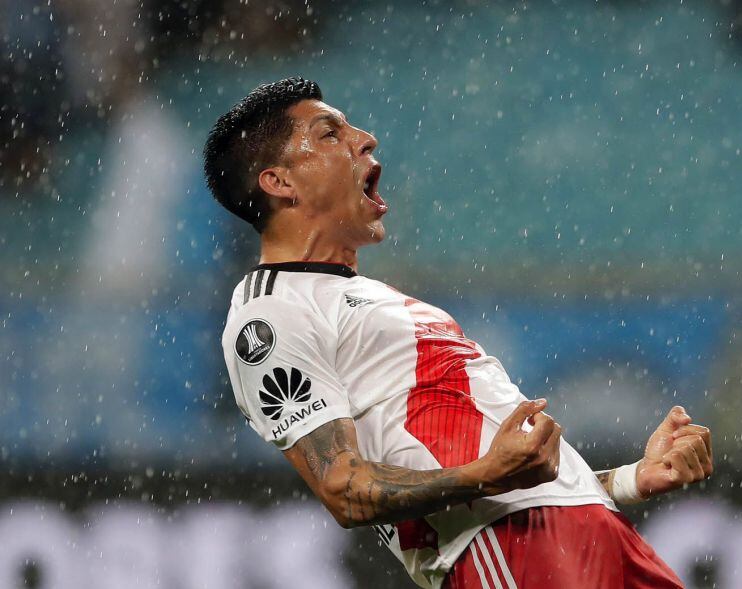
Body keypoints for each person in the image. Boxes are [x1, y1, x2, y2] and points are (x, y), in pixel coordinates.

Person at [204, 77, 713, 589]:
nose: (365, 138)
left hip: (589, 529)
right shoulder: (268, 316)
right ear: (279, 183)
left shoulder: (371, 298)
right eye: (330, 134)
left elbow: (510, 474)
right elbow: (344, 487)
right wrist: (485, 474)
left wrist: (626, 480)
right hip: (508, 548)